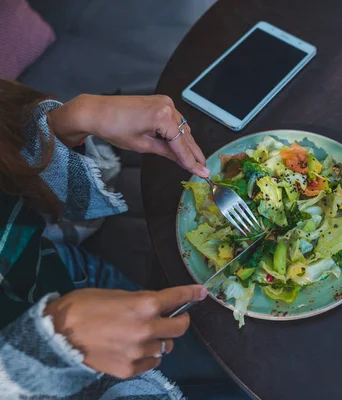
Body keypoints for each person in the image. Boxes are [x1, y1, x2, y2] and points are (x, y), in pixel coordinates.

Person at [0, 80, 246, 399]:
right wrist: (47, 349)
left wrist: (66, 125)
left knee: (232, 360)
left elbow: (14, 180)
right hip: (64, 380)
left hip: (70, 277)